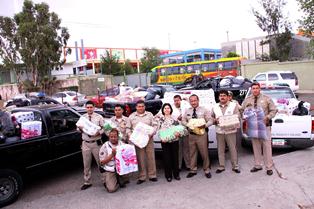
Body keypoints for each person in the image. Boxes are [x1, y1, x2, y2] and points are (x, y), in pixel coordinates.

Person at [241, 82, 277, 176]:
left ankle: (269, 167)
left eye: (257, 88)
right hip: (253, 127)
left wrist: (268, 117)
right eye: (253, 88)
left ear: (259, 89)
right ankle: (258, 165)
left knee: (267, 147)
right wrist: (244, 116)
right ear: (251, 89)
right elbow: (242, 110)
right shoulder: (247, 100)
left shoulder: (266, 98)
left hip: (264, 126)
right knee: (256, 146)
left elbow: (274, 110)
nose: (255, 90)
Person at [182, 94, 212, 179]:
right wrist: (187, 125)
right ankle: (193, 170)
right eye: (191, 101)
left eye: (195, 100)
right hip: (191, 135)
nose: (193, 102)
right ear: (190, 102)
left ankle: (206, 170)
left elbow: (210, 120)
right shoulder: (187, 110)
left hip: (201, 135)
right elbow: (183, 120)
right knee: (192, 153)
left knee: (204, 153)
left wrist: (205, 126)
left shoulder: (204, 110)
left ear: (198, 101)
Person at [210, 90, 241, 174]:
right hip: (219, 131)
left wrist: (230, 119)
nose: (222, 97)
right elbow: (211, 117)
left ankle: (235, 166)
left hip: (230, 130)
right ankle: (221, 166)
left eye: (224, 95)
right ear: (218, 97)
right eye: (221, 96)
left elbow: (238, 115)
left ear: (228, 97)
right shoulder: (215, 106)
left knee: (233, 148)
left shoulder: (234, 105)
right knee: (220, 149)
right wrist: (214, 120)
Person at [77, 101, 105, 190]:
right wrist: (80, 128)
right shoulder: (83, 118)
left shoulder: (99, 117)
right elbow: (78, 129)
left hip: (96, 143)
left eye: (91, 107)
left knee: (100, 163)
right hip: (86, 143)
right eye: (87, 107)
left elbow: (105, 127)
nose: (89, 109)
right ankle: (87, 181)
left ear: (94, 107)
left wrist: (99, 132)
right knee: (86, 164)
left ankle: (105, 180)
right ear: (86, 108)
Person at [128, 100, 157, 184]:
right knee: (140, 158)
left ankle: (152, 175)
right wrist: (131, 136)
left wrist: (152, 133)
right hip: (138, 140)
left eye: (142, 106)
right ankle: (142, 176)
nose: (141, 108)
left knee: (150, 157)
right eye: (139, 106)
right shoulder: (131, 116)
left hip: (149, 139)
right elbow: (128, 128)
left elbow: (155, 125)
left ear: (145, 107)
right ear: (136, 107)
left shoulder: (150, 115)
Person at [154, 103, 181, 182]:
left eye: (168, 108)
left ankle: (176, 174)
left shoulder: (174, 118)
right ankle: (168, 175)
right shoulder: (160, 119)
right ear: (163, 110)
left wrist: (178, 133)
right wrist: (161, 137)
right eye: (165, 108)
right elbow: (158, 130)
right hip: (165, 141)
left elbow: (179, 128)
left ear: (171, 109)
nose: (167, 110)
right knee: (167, 158)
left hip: (174, 140)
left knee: (175, 157)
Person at [109, 104, 131, 184]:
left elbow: (128, 130)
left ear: (122, 110)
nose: (117, 111)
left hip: (124, 142)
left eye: (119, 110)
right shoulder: (111, 120)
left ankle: (125, 178)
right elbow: (107, 131)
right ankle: (117, 178)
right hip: (114, 143)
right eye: (116, 110)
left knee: (124, 161)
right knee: (116, 161)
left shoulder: (127, 119)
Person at [99, 129, 126, 193]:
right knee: (111, 189)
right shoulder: (105, 146)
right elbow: (102, 162)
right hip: (110, 169)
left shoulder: (122, 144)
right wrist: (112, 155)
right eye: (111, 137)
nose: (113, 138)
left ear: (118, 137)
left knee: (124, 181)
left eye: (115, 137)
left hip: (120, 168)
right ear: (109, 137)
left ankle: (120, 178)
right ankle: (111, 180)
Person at [172, 95, 190, 171]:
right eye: (175, 100)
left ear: (180, 100)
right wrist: (177, 119)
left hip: (185, 130)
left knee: (186, 148)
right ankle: (178, 166)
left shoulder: (185, 107)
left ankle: (188, 165)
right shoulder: (172, 109)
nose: (176, 102)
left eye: (178, 100)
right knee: (178, 149)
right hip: (176, 131)